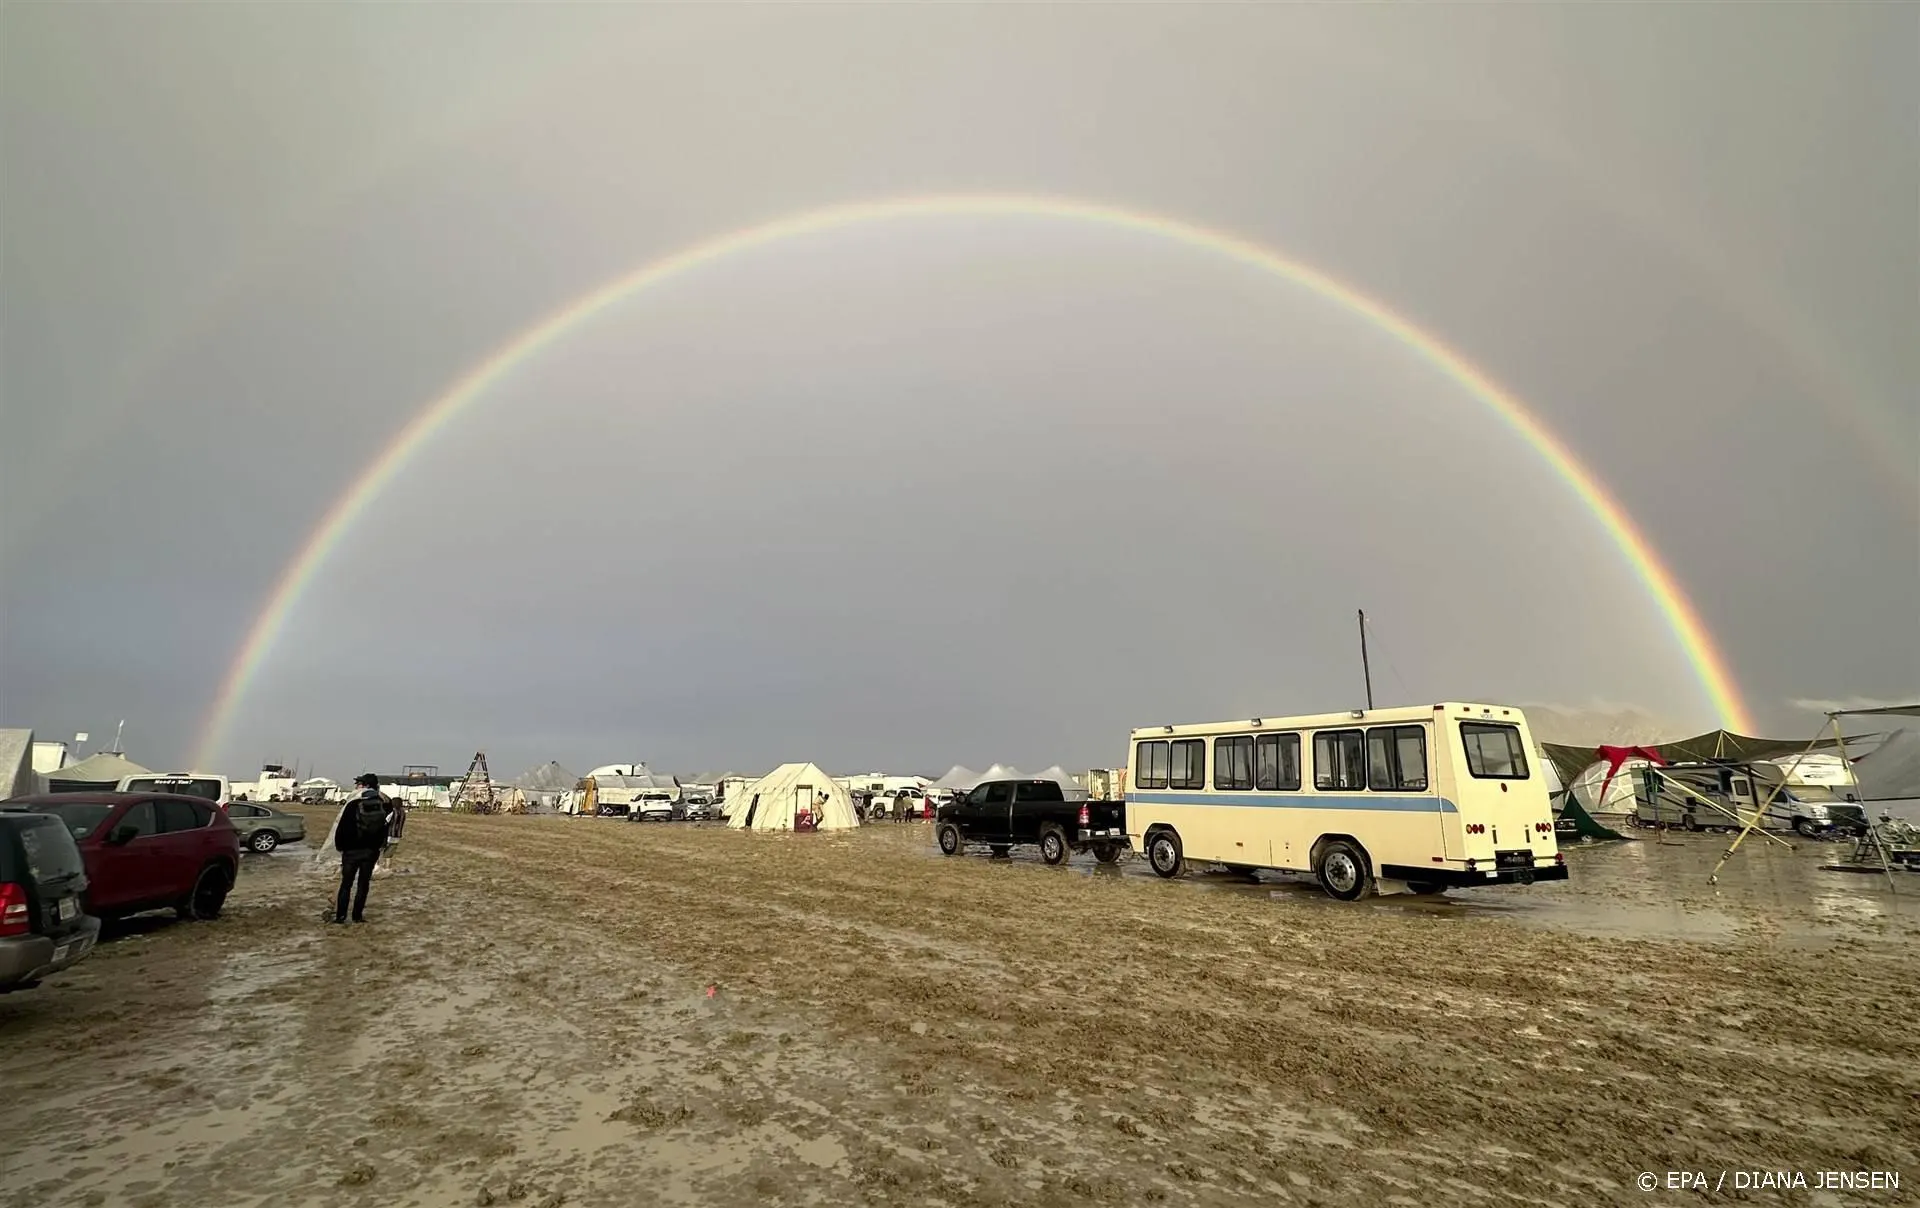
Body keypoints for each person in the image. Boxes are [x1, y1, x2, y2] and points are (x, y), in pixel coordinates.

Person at [333, 773, 392, 924]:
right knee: (363, 884)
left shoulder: (353, 805)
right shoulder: (383, 806)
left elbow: (342, 828)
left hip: (351, 851)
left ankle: (341, 916)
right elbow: (385, 826)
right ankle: (357, 916)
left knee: (346, 884)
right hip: (370, 851)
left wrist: (340, 846)